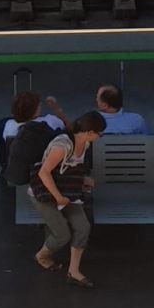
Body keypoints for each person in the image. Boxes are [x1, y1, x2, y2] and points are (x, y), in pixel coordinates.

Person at [31, 111, 107, 289]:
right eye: (99, 133)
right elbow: (44, 173)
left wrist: (83, 181)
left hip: (67, 193)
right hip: (46, 195)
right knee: (62, 235)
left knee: (83, 227)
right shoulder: (62, 146)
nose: (100, 136)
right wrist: (58, 198)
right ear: (89, 132)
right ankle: (41, 256)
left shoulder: (85, 145)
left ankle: (74, 271)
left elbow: (70, 171)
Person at [2, 91, 68, 141]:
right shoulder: (50, 121)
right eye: (38, 104)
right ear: (34, 109)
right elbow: (69, 128)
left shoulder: (8, 125)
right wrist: (56, 108)